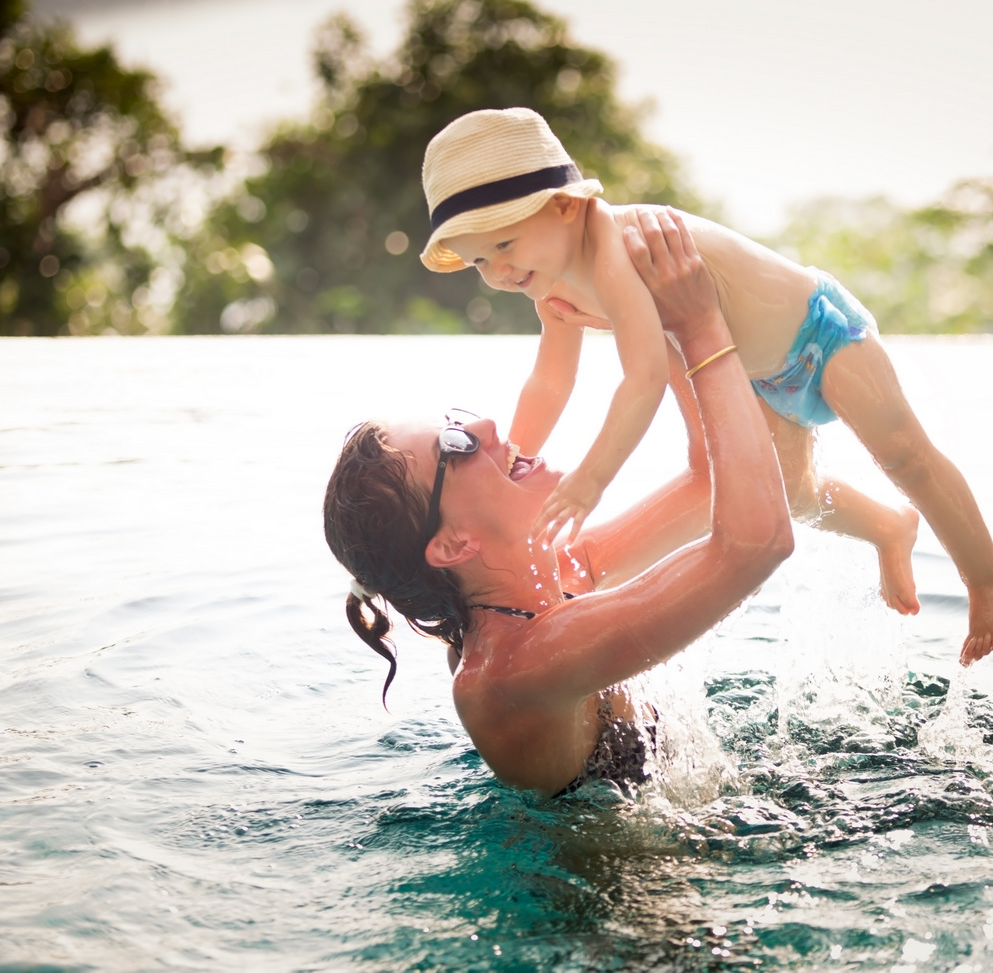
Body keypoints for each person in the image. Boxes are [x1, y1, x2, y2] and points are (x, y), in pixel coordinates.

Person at [418, 107, 993, 664]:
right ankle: (890, 527)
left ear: (565, 206)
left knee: (904, 455)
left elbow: (645, 377)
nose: (498, 272)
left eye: (503, 244)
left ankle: (989, 574)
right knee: (788, 493)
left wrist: (589, 483)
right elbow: (550, 381)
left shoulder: (615, 246)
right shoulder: (548, 278)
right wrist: (513, 461)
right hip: (757, 377)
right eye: (478, 262)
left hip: (820, 335)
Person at [324, 210, 794, 797]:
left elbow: (705, 482)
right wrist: (702, 328)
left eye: (459, 418)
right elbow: (757, 544)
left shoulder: (557, 572)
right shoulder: (512, 669)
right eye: (457, 443)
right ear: (450, 543)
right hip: (620, 887)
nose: (488, 425)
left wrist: (655, 328)